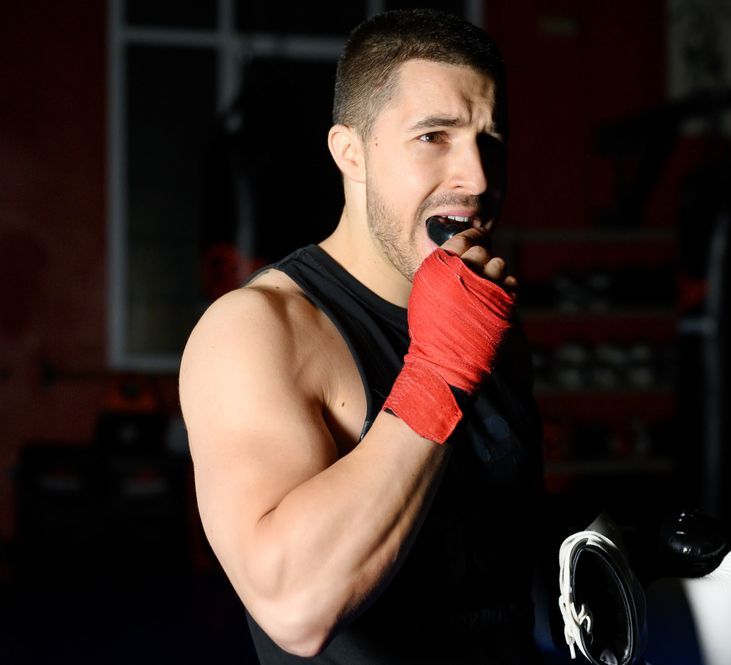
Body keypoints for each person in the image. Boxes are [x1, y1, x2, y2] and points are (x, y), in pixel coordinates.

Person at [179, 8, 547, 665]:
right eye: (433, 136)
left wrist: (623, 560)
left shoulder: (491, 320)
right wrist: (440, 371)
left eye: (490, 139)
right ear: (350, 153)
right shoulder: (259, 331)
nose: (477, 178)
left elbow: (491, 554)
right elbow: (294, 606)